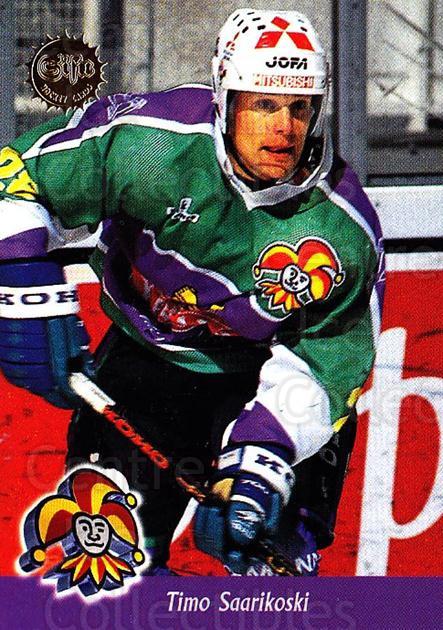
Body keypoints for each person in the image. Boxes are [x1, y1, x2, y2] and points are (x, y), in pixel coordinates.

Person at [0, 9, 384, 576]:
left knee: (269, 577)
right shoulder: (149, 142)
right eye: (264, 104)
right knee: (103, 570)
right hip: (145, 367)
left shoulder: (343, 230)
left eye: (300, 107)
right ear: (224, 100)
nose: (285, 127)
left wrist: (261, 461)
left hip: (265, 378)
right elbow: (18, 178)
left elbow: (329, 364)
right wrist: (20, 279)